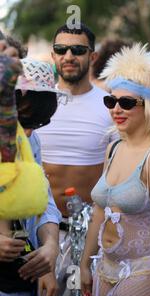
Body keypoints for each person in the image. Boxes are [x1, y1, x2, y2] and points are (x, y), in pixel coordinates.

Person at [80, 43, 150, 296]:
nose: (116, 109)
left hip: (145, 272)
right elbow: (99, 212)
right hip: (104, 267)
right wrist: (83, 264)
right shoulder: (113, 148)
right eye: (111, 100)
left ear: (149, 107)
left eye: (126, 102)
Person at [0, 40, 63, 296]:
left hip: (19, 279)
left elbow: (43, 201)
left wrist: (49, 247)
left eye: (40, 121)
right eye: (26, 119)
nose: (29, 132)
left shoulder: (30, 138)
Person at [35, 23, 114, 219]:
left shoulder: (111, 105)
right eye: (61, 50)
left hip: (91, 228)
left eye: (78, 50)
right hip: (40, 227)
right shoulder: (35, 104)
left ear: (92, 57)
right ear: (53, 56)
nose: (68, 56)